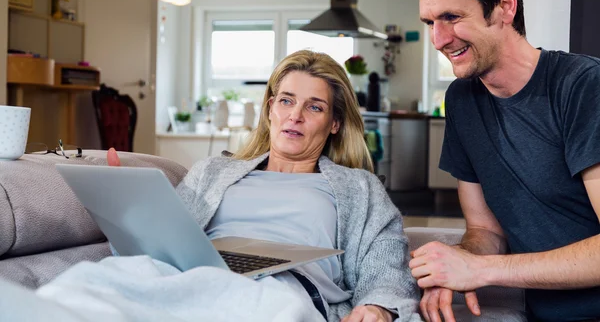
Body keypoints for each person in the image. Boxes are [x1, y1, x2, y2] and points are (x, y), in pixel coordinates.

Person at [110, 50, 420, 322]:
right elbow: (157, 246)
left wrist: (379, 307)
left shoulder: (359, 187)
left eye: (314, 107)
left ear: (334, 123)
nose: (294, 116)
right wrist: (127, 210)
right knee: (88, 280)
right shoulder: (212, 172)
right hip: (195, 276)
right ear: (271, 109)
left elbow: (387, 261)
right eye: (286, 101)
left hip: (281, 286)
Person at [407, 0, 600, 322]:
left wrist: (482, 271)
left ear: (505, 6)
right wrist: (457, 265)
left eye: (452, 17)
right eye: (430, 22)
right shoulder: (462, 101)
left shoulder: (582, 86)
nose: (438, 40)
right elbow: (484, 230)